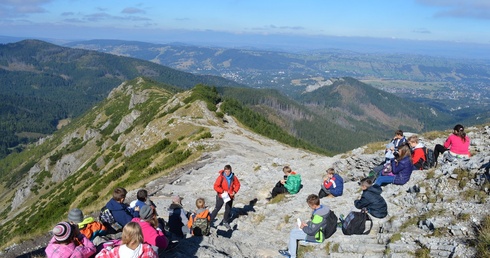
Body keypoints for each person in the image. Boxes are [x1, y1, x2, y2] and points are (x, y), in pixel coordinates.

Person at [210, 164, 241, 230]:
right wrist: (222, 191)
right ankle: (209, 222)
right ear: (224, 171)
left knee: (228, 209)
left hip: (230, 196)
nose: (227, 173)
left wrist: (234, 191)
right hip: (221, 195)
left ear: (231, 171)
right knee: (217, 209)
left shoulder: (233, 177)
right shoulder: (221, 177)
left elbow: (238, 184)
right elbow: (215, 186)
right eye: (225, 171)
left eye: (228, 171)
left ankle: (225, 221)